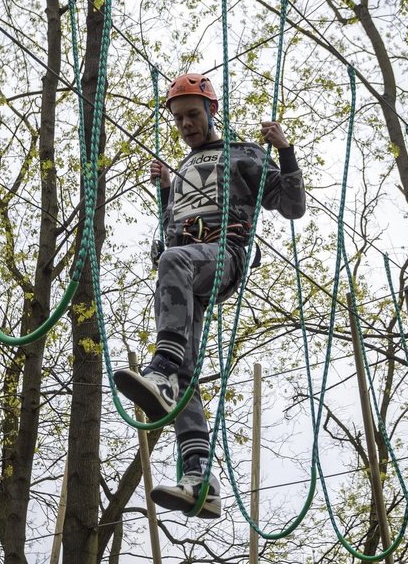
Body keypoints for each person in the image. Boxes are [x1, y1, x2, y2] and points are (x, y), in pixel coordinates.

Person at [114, 72, 306, 518]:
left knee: (173, 267)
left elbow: (292, 205)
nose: (185, 125)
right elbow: (172, 232)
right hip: (188, 267)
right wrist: (165, 194)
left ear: (211, 112)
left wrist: (284, 150)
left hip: (223, 256)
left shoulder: (244, 154)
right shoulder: (180, 172)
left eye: (193, 115)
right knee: (187, 372)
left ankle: (160, 369)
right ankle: (199, 476)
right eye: (178, 118)